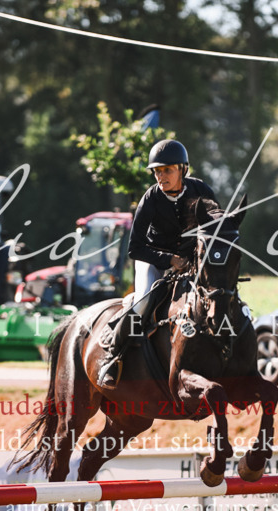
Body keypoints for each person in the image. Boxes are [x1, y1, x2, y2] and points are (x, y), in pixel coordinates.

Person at [96, 139, 219, 389]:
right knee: (142, 302)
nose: (160, 176)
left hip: (191, 262)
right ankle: (112, 358)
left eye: (167, 170)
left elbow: (217, 230)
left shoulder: (202, 191)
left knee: (219, 294)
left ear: (183, 169)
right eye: (157, 171)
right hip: (153, 259)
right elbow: (135, 248)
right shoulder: (150, 198)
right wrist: (169, 259)